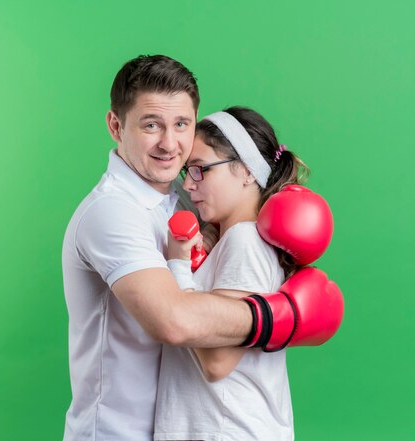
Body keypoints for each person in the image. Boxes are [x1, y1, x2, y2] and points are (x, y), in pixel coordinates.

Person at [62, 54, 343, 441]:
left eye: (181, 124)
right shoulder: (113, 211)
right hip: (118, 432)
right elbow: (176, 321)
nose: (169, 143)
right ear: (116, 125)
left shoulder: (189, 204)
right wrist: (280, 317)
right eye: (150, 125)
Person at [154, 107, 307, 441]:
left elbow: (217, 362)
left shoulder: (245, 240)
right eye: (186, 173)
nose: (190, 186)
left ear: (247, 171)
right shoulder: (234, 240)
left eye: (200, 170)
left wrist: (178, 265)